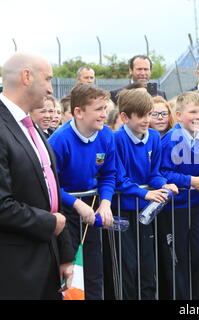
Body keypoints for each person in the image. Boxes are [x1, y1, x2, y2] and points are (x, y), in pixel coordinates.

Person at [0, 52, 73, 299]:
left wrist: (64, 254)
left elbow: (50, 191)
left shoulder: (29, 126)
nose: (52, 90)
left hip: (47, 260)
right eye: (48, 79)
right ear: (27, 76)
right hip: (15, 269)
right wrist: (49, 223)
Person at [49, 83, 116, 300]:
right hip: (66, 212)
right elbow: (49, 184)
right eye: (98, 109)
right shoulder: (59, 140)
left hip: (92, 208)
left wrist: (105, 203)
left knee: (94, 270)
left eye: (105, 108)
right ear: (78, 112)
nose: (104, 114)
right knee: (70, 273)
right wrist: (76, 204)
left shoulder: (106, 136)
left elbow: (108, 174)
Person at [113, 88, 178, 299]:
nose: (146, 120)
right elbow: (119, 179)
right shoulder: (116, 139)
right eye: (141, 115)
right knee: (127, 268)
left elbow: (154, 174)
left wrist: (164, 184)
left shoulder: (153, 138)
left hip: (145, 214)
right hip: (123, 212)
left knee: (147, 267)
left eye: (149, 114)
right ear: (124, 117)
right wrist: (145, 194)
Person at [159, 91, 199, 299]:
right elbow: (163, 172)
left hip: (195, 207)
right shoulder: (170, 139)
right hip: (173, 209)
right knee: (178, 261)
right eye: (193, 112)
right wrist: (191, 181)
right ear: (178, 115)